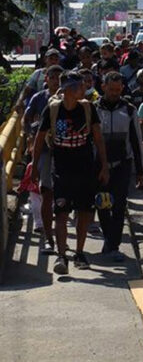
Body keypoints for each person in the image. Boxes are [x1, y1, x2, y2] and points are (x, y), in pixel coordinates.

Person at [31, 71, 109, 275]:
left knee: (84, 212)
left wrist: (104, 165)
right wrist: (34, 166)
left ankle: (80, 252)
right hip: (62, 170)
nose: (84, 89)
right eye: (81, 86)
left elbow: (98, 138)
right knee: (62, 213)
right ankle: (62, 254)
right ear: (70, 89)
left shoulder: (88, 108)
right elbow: (39, 140)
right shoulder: (53, 110)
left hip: (85, 168)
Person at [94, 72, 143, 262]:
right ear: (104, 86)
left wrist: (140, 171)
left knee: (118, 206)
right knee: (102, 203)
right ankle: (108, 238)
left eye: (118, 90)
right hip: (99, 166)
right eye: (111, 89)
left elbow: (136, 140)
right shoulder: (93, 109)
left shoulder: (130, 110)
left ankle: (113, 245)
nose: (115, 93)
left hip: (122, 165)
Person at [22, 64, 63, 254]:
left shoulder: (69, 100)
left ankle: (61, 238)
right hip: (44, 151)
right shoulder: (39, 98)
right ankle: (49, 236)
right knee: (46, 191)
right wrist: (30, 136)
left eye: (59, 77)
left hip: (66, 152)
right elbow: (26, 118)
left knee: (64, 195)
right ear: (46, 79)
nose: (56, 80)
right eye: (52, 77)